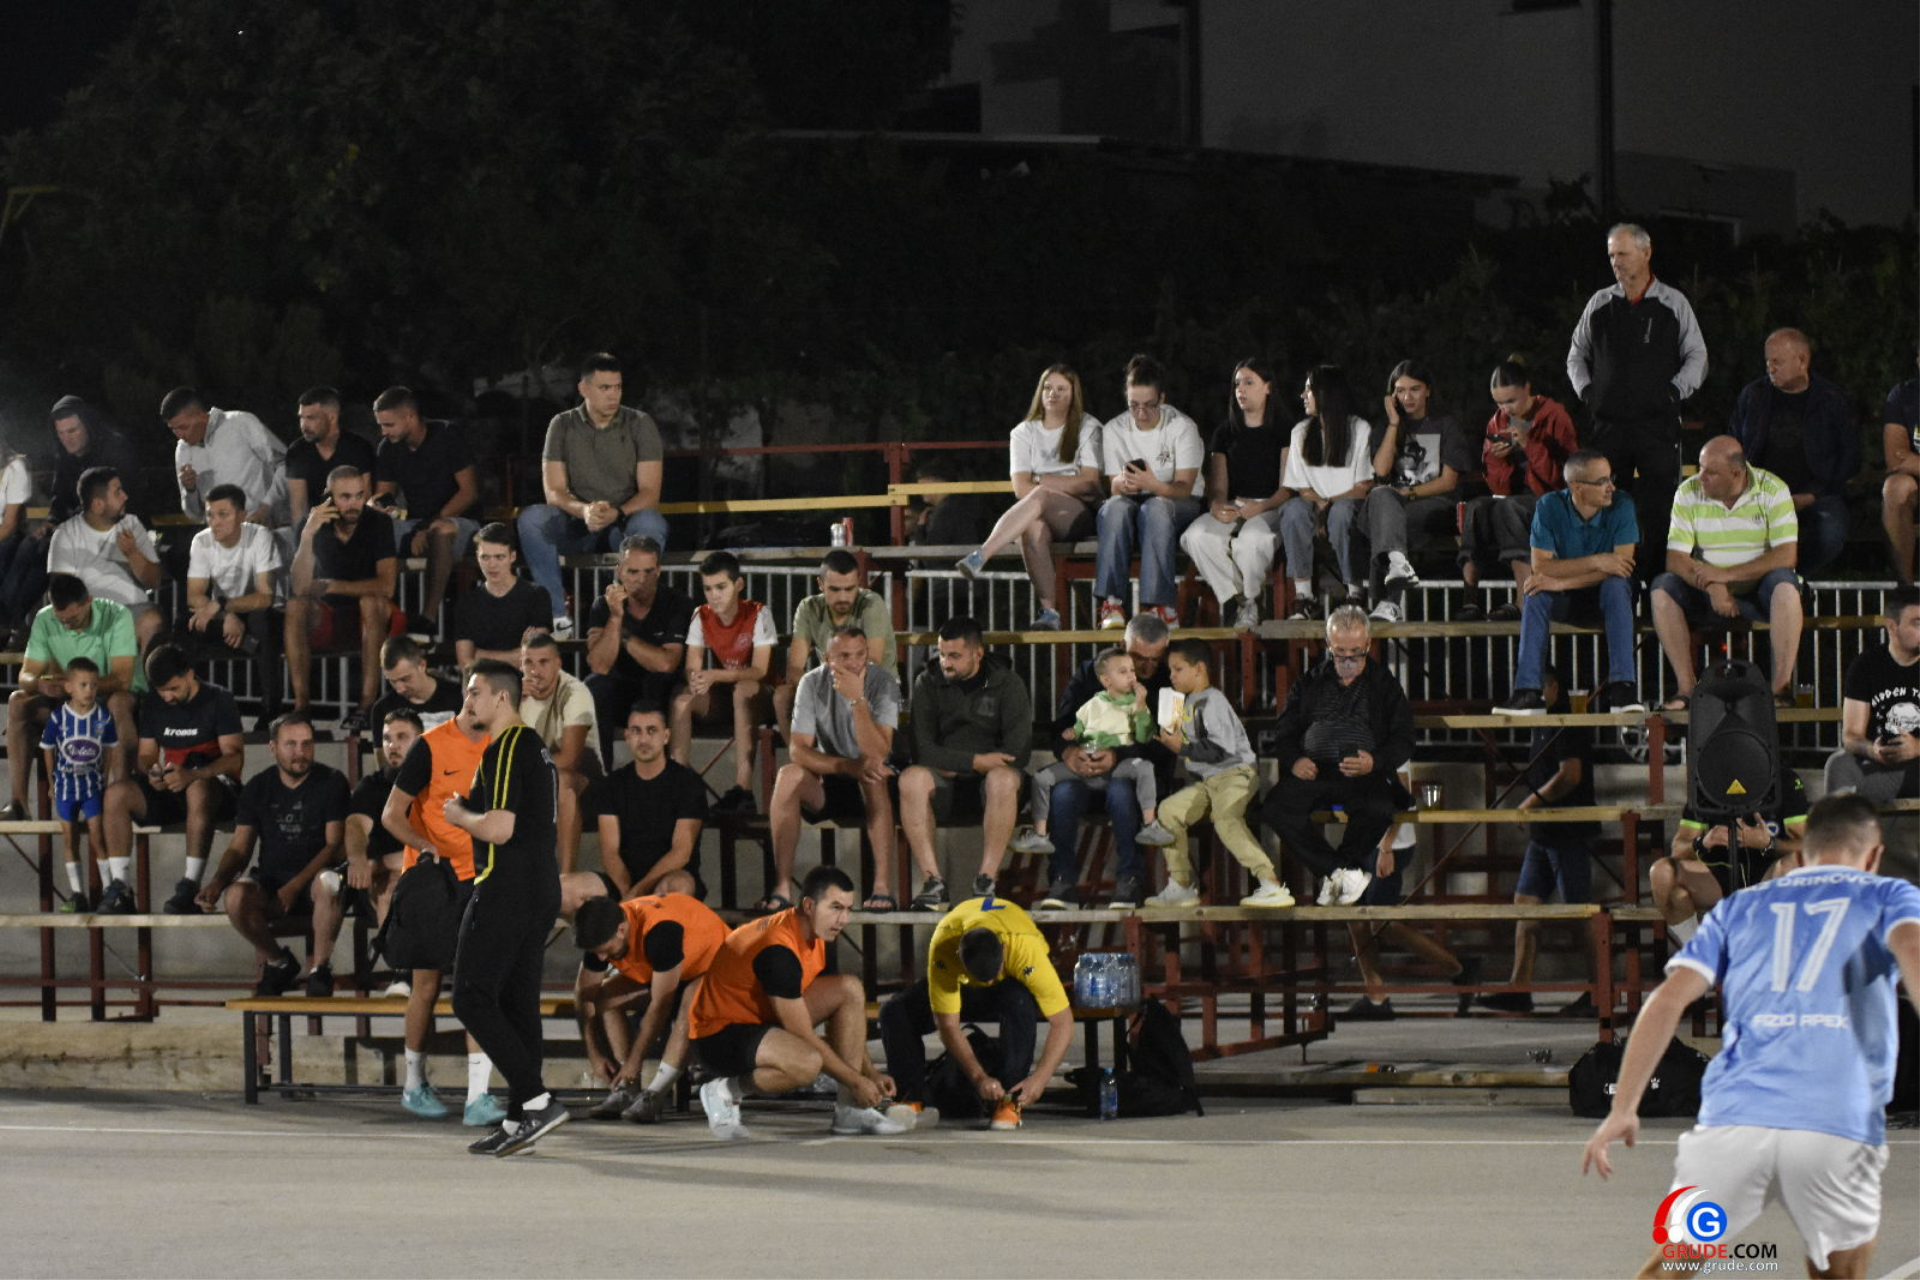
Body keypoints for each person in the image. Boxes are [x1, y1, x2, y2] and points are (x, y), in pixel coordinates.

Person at [1582, 795, 1920, 1280]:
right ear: (1875, 856)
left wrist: (1623, 1107)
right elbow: (1914, 953)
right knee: (1838, 1273)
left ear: (1801, 853)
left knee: (1670, 1267)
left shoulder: (1738, 907)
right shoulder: (1890, 895)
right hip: (1835, 1124)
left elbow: (1667, 1001)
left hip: (1733, 1124)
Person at [444, 660, 569, 1157]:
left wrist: (459, 814)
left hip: (506, 887)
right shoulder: (536, 748)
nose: (468, 701)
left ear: (502, 697)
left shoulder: (509, 745)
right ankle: (520, 1118)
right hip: (539, 888)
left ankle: (536, 1100)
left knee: (469, 997)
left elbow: (499, 828)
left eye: (474, 692)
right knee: (518, 1006)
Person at [686, 864, 907, 1141]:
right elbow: (802, 1034)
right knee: (807, 1062)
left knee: (849, 989)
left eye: (848, 909)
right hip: (718, 1037)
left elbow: (843, 1025)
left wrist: (870, 1073)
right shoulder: (778, 950)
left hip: (759, 1017)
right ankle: (724, 1091)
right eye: (835, 908)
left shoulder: (815, 932)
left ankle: (850, 1111)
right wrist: (855, 1080)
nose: (843, 919)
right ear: (809, 905)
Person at [381, 704, 501, 1126]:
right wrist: (424, 847)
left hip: (481, 879)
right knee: (426, 986)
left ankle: (478, 1096)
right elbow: (391, 815)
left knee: (478, 984)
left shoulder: (501, 744)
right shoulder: (430, 746)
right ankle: (414, 1084)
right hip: (433, 881)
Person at [1565, 223, 1707, 570]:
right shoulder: (1600, 302)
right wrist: (1589, 393)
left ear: (1646, 252)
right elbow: (1575, 355)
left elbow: (1697, 356)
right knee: (1607, 503)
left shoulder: (1672, 302)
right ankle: (1613, 581)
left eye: (1623, 254)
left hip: (1656, 425)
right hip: (1608, 426)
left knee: (1661, 506)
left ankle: (1659, 581)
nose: (1616, 262)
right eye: (1611, 255)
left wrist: (1673, 392)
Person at [878, 895, 1074, 1131]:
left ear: (1003, 949)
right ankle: (910, 1100)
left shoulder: (1024, 947)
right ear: (959, 955)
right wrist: (979, 1077)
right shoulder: (944, 946)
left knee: (1019, 1000)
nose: (989, 982)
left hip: (1010, 985)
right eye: (983, 978)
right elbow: (948, 1025)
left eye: (993, 974)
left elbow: (1063, 1021)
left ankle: (1010, 1100)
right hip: (964, 986)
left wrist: (1040, 1079)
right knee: (894, 1010)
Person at [1262, 606, 1414, 906]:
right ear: (1328, 645)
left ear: (1368, 644)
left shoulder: (1384, 684)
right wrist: (1295, 760)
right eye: (1340, 652)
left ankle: (1340, 872)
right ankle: (1339, 872)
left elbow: (1404, 738)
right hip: (1315, 771)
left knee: (1380, 806)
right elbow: (1285, 730)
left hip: (1363, 773)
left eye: (1356, 653)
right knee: (1276, 807)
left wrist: (1375, 761)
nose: (1347, 660)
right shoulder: (1310, 681)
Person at [196, 714, 351, 997]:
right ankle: (278, 961)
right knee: (235, 897)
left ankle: (320, 969)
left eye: (306, 744)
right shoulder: (258, 787)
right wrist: (218, 881)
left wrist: (294, 886)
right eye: (291, 744)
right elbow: (240, 847)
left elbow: (333, 846)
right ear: (273, 748)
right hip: (271, 880)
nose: (300, 752)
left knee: (329, 882)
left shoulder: (331, 781)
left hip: (315, 878)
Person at [1476, 666, 1600, 1015]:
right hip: (1544, 832)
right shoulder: (1541, 721)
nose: (1529, 697)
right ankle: (1519, 988)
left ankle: (1598, 993)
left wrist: (1531, 802)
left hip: (1567, 829)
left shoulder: (1567, 721)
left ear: (1553, 687)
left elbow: (1570, 775)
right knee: (1526, 903)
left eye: (1534, 688)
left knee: (1580, 912)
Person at [518, 353, 668, 637]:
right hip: (577, 523)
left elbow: (650, 493)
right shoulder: (562, 424)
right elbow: (554, 491)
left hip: (622, 523)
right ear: (584, 388)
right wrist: (584, 510)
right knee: (533, 518)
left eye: (618, 387)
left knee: (650, 522)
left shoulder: (639, 423)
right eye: (605, 388)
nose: (613, 395)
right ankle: (557, 616)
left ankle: (627, 612)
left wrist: (617, 512)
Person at [1649, 435, 1803, 707]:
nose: (1701, 477)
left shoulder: (1773, 489)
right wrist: (1713, 585)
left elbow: (1786, 555)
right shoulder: (1688, 491)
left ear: (1736, 473)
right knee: (1662, 588)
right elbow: (1676, 559)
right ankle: (1686, 689)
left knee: (1786, 585)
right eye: (1700, 468)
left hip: (1758, 590)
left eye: (1711, 472)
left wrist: (1726, 575)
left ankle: (1781, 689)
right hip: (1706, 591)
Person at [1034, 613, 1174, 910]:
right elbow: (1063, 725)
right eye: (1139, 658)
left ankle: (1130, 880)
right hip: (1085, 771)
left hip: (1139, 778)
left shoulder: (1171, 681)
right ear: (1122, 645)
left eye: (1155, 659)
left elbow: (1167, 746)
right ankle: (1062, 881)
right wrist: (1070, 753)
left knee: (1123, 791)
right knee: (1063, 793)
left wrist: (1118, 755)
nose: (1147, 667)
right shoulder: (1090, 673)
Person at [1493, 449, 1645, 716]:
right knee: (1535, 591)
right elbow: (1542, 567)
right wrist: (1598, 560)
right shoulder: (1549, 506)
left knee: (1617, 584)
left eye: (1611, 478)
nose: (1611, 487)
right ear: (1577, 487)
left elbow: (1621, 567)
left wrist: (1562, 582)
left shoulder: (1622, 504)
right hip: (1567, 599)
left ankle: (1623, 689)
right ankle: (1528, 691)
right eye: (1602, 481)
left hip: (1605, 597)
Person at [954, 364, 1104, 630]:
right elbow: (1020, 489)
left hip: (1081, 513)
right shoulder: (1023, 432)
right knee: (1031, 529)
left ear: (1074, 394)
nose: (1053, 394)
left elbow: (1090, 482)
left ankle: (982, 554)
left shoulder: (1088, 426)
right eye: (1048, 388)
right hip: (1039, 510)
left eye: (1061, 389)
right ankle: (1049, 611)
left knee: (1041, 493)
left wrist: (1041, 479)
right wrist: (1062, 482)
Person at [766, 626, 904, 912]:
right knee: (788, 774)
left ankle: (882, 887)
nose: (854, 663)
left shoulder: (882, 681)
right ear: (827, 658)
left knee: (873, 773)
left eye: (860, 654)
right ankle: (781, 888)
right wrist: (845, 766)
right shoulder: (811, 682)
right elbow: (798, 750)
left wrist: (857, 701)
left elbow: (879, 752)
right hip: (834, 775)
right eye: (844, 656)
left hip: (873, 779)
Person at [1145, 638, 1292, 908]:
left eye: (1178, 669)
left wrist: (1182, 747)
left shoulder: (1212, 701)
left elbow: (1221, 749)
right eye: (1170, 670)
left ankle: (1270, 883)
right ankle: (1181, 884)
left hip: (1235, 774)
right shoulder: (1186, 702)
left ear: (1199, 669)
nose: (1171, 676)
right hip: (1208, 780)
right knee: (1168, 811)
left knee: (1225, 817)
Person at [100, 645, 244, 915]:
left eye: (173, 689)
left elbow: (234, 758)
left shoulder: (219, 699)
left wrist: (194, 774)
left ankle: (190, 885)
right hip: (174, 783)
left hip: (215, 787)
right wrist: (153, 772)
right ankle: (121, 887)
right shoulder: (154, 703)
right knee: (116, 794)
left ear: (189, 674)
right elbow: (146, 754)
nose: (167, 696)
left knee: (198, 789)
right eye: (161, 690)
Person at [899, 616, 1033, 903]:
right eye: (942, 654)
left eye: (954, 656)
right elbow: (922, 750)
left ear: (977, 654)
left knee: (1003, 778)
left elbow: (1017, 752)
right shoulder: (927, 681)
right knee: (911, 779)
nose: (945, 663)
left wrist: (957, 762)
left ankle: (986, 879)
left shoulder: (1008, 683)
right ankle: (933, 882)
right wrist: (975, 761)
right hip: (944, 784)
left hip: (990, 786)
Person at [571, 881, 727, 1124]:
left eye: (605, 950)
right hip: (672, 970)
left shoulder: (661, 931)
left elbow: (661, 1005)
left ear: (621, 930)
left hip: (718, 967)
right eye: (597, 952)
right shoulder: (603, 933)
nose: (602, 957)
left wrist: (635, 1062)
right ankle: (627, 1088)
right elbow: (585, 996)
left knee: (691, 1001)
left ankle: (655, 1095)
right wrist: (594, 1054)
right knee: (605, 997)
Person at [3, 574, 142, 827]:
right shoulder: (45, 618)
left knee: (119, 703)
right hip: (67, 701)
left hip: (108, 699)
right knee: (18, 701)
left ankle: (118, 798)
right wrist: (39, 684)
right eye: (62, 620)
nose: (66, 625)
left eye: (73, 619)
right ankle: (18, 803)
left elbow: (122, 679)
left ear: (87, 601)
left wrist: (77, 686)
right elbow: (26, 674)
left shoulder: (117, 616)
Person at [1341, 771, 1480, 1021]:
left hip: (1389, 845)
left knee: (1382, 923)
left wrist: (1386, 845)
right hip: (1361, 839)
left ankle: (1458, 968)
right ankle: (1376, 996)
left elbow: (1402, 796)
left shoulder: (1390, 750)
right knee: (1355, 914)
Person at [1012, 646, 1171, 859]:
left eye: (1132, 671)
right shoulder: (1093, 702)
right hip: (1084, 764)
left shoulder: (1138, 704)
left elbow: (1145, 737)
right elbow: (1074, 725)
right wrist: (1070, 745)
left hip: (1119, 768)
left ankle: (1149, 825)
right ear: (1106, 680)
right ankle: (1040, 835)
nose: (1132, 676)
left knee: (1141, 771)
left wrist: (1141, 706)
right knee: (1042, 779)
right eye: (1124, 671)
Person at [285, 465, 403, 732]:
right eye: (345, 497)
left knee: (370, 602)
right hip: (331, 614)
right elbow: (300, 587)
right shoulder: (312, 525)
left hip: (374, 614)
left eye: (359, 496)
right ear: (328, 497)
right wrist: (307, 536)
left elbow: (387, 586)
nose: (354, 504)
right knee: (295, 606)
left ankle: (367, 704)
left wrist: (332, 586)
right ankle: (301, 706)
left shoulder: (378, 522)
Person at [1457, 359, 1577, 621]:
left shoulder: (1553, 415)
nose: (1506, 409)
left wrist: (1529, 445)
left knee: (1509, 508)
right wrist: (1498, 459)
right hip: (1514, 500)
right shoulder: (1497, 422)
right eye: (1499, 403)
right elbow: (1498, 487)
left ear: (1527, 389)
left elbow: (1565, 478)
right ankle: (1470, 601)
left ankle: (1524, 601)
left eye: (1511, 401)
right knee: (1476, 507)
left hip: (1552, 499)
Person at [1729, 329, 1855, 579]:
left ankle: (1792, 577)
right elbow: (1733, 444)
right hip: (1759, 495)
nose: (1770, 368)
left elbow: (1849, 457)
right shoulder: (1753, 396)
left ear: (1802, 360)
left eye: (1777, 361)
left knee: (1831, 532)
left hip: (1817, 496)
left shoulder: (1831, 400)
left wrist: (1812, 495)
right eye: (1768, 361)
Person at [1179, 357, 1291, 630]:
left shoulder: (1284, 430)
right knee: (1196, 536)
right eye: (1237, 383)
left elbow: (1287, 487)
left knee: (1252, 542)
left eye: (1249, 382)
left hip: (1270, 505)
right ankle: (1239, 598)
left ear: (1267, 387)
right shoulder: (1225, 432)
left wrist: (1261, 508)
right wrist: (1217, 505)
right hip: (1236, 504)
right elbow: (1218, 487)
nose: (1240, 389)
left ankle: (1252, 597)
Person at [1360, 360, 1476, 624]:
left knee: (1384, 518)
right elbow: (1381, 470)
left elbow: (1448, 482)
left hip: (1436, 504)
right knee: (1381, 499)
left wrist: (1407, 494)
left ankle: (1386, 602)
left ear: (1428, 391)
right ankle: (1396, 570)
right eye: (1400, 390)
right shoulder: (1387, 427)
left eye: (1414, 389)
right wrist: (1393, 424)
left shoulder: (1445, 425)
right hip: (1393, 507)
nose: (1407, 397)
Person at [564, 703, 709, 911]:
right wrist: (628, 895)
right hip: (622, 882)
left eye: (652, 731)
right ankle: (604, 932)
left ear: (666, 736)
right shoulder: (612, 784)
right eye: (636, 731)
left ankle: (655, 929)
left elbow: (681, 851)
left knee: (678, 887)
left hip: (668, 876)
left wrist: (638, 892)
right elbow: (610, 853)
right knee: (564, 888)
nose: (643, 739)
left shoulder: (688, 783)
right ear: (627, 736)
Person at [1094, 353, 1203, 630]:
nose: (1141, 413)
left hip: (1178, 502)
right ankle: (1111, 602)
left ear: (1162, 399)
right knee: (1113, 508)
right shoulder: (1114, 429)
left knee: (1155, 508)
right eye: (1134, 405)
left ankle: (1159, 605)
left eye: (1149, 406)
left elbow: (1184, 487)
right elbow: (1112, 486)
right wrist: (1121, 484)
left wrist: (1153, 485)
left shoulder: (1182, 427)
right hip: (1135, 500)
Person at [670, 550, 774, 814]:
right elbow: (692, 666)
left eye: (721, 587)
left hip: (759, 696)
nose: (714, 595)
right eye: (708, 588)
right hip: (726, 695)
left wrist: (715, 675)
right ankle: (677, 786)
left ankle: (743, 790)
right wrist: (697, 681)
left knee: (743, 690)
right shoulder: (701, 615)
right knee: (683, 699)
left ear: (738, 585)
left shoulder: (759, 613)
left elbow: (759, 671)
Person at [370, 386, 479, 634]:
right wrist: (379, 507)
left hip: (459, 521)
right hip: (415, 522)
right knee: (371, 529)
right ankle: (379, 612)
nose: (383, 431)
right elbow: (382, 495)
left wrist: (425, 526)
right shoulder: (388, 447)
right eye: (381, 425)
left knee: (440, 530)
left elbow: (469, 493)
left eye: (388, 425)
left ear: (410, 417)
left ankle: (428, 617)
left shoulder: (447, 435)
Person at [1276, 366, 1376, 620]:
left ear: (1327, 393)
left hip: (1347, 506)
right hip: (1315, 505)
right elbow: (1301, 487)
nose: (1303, 395)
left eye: (1309, 389)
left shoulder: (1359, 429)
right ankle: (1304, 596)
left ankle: (1355, 593)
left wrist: (1328, 506)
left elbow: (1363, 486)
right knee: (1292, 510)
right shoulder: (1300, 432)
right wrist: (1321, 506)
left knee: (1342, 512)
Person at [181, 483, 284, 728]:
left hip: (258, 611)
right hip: (225, 615)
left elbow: (265, 597)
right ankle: (190, 709)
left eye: (223, 515)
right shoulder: (201, 541)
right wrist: (226, 614)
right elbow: (194, 596)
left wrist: (223, 605)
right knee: (186, 625)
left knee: (263, 621)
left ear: (242, 515)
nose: (215, 522)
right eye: (210, 515)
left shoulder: (259, 536)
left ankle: (270, 710)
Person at [584, 534, 691, 768]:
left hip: (664, 692)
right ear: (620, 571)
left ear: (658, 571)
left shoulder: (677, 603)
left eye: (648, 572)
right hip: (622, 691)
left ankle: (660, 776)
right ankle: (602, 775)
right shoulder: (603, 606)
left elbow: (666, 664)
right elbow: (599, 665)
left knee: (657, 681)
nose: (642, 579)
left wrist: (624, 636)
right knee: (595, 686)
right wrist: (615, 618)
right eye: (633, 572)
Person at [1652, 773, 1808, 928]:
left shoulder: (1784, 780)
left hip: (1768, 874)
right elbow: (1678, 850)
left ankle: (1773, 935)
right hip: (1718, 874)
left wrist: (1769, 844)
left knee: (1797, 863)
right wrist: (1703, 843)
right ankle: (1697, 939)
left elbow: (1809, 847)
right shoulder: (1706, 780)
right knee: (1662, 872)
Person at [772, 549, 895, 739]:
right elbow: (795, 668)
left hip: (872, 686)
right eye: (835, 590)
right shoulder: (808, 608)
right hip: (830, 684)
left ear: (859, 582)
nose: (843, 597)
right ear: (821, 584)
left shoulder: (871, 604)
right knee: (783, 696)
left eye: (850, 589)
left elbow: (872, 664)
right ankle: (800, 755)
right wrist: (811, 691)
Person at [47, 465, 164, 652]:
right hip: (89, 615)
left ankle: (144, 673)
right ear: (98, 505)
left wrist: (133, 554)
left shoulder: (132, 524)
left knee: (152, 621)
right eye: (118, 492)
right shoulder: (66, 533)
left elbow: (154, 581)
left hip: (133, 611)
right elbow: (60, 590)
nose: (125, 496)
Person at [37, 657, 119, 912]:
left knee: (98, 837)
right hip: (65, 786)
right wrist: (51, 782)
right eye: (83, 685)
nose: (89, 690)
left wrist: (105, 778)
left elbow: (110, 749)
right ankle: (77, 894)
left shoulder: (103, 717)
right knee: (69, 839)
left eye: (94, 685)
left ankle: (110, 892)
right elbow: (47, 749)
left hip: (92, 787)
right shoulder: (58, 718)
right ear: (69, 687)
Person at [1826, 587, 1920, 803]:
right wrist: (1872, 750)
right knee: (1839, 763)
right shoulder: (1866, 665)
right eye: (1918, 623)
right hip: (1882, 765)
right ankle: (1840, 824)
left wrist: (1916, 747)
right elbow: (1851, 736)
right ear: (1893, 627)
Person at [161, 386, 290, 540]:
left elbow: (285, 465)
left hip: (265, 531)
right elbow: (194, 514)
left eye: (183, 427)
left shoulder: (241, 423)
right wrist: (190, 490)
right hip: (222, 542)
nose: (179, 435)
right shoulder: (182, 450)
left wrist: (265, 508)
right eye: (173, 429)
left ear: (200, 415)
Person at [520, 629, 601, 874]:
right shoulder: (514, 693)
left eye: (543, 662)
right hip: (531, 774)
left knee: (561, 781)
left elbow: (569, 758)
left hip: (584, 778)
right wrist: (512, 706)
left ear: (558, 663)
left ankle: (565, 878)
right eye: (528, 663)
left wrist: (522, 772)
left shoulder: (574, 692)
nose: (535, 671)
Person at [344, 708, 418, 935]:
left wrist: (385, 862)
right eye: (387, 739)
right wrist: (357, 857)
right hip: (381, 877)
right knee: (389, 887)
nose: (392, 745)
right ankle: (393, 955)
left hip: (424, 868)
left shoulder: (434, 784)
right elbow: (356, 825)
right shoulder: (372, 785)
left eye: (402, 737)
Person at [453, 522, 552, 668]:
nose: (492, 565)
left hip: (524, 680)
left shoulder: (535, 595)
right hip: (482, 681)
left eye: (499, 557)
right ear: (477, 557)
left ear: (512, 556)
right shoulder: (467, 603)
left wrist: (480, 654)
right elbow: (465, 663)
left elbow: (536, 658)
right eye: (485, 557)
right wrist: (517, 654)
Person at [285, 386, 377, 530]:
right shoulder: (298, 451)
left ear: (332, 418)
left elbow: (365, 500)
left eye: (310, 418)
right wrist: (303, 538)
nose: (303, 425)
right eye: (301, 417)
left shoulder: (358, 448)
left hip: (354, 524)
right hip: (316, 524)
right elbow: (299, 507)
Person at [47, 395, 138, 527]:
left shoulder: (115, 450)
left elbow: (123, 501)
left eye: (72, 431)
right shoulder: (64, 456)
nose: (66, 439)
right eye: (61, 433)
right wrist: (52, 522)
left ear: (87, 426)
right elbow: (60, 499)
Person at [367, 635, 464, 735]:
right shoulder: (383, 708)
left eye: (405, 679)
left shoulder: (459, 698)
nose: (399, 689)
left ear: (422, 665)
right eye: (392, 681)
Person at [1882, 339, 1920, 586]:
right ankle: (1906, 588)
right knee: (1895, 487)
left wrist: (1914, 460)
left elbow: (1908, 458)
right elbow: (1896, 458)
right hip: (1916, 485)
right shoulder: (1903, 395)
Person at [0, 428, 43, 645]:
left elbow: (10, 524)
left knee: (15, 550)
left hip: (9, 535)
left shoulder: (14, 468)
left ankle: (7, 624)